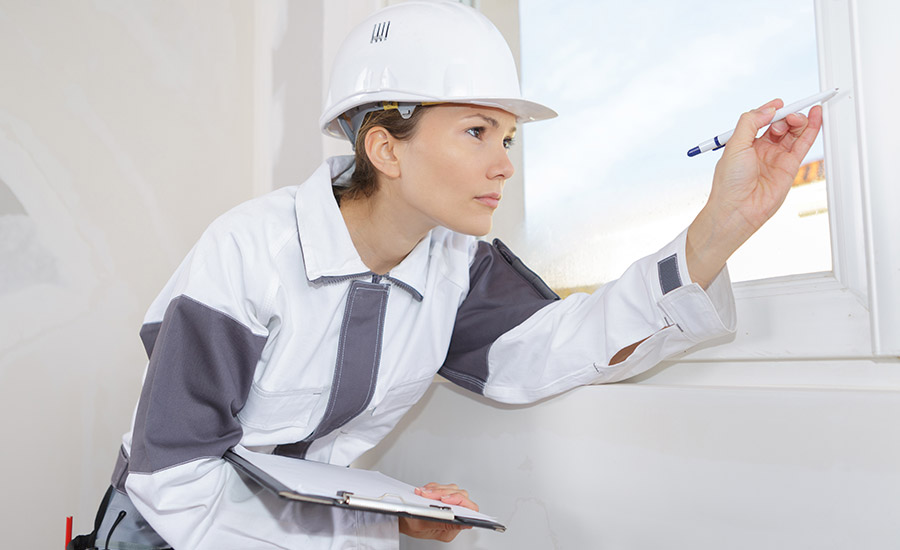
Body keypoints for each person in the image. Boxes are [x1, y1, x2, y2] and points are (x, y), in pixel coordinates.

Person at [71, 1, 822, 549]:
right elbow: (175, 480)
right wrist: (370, 525)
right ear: (387, 149)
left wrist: (717, 230)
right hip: (166, 531)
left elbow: (555, 347)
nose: (504, 163)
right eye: (475, 132)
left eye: (506, 136)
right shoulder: (246, 256)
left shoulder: (456, 263)